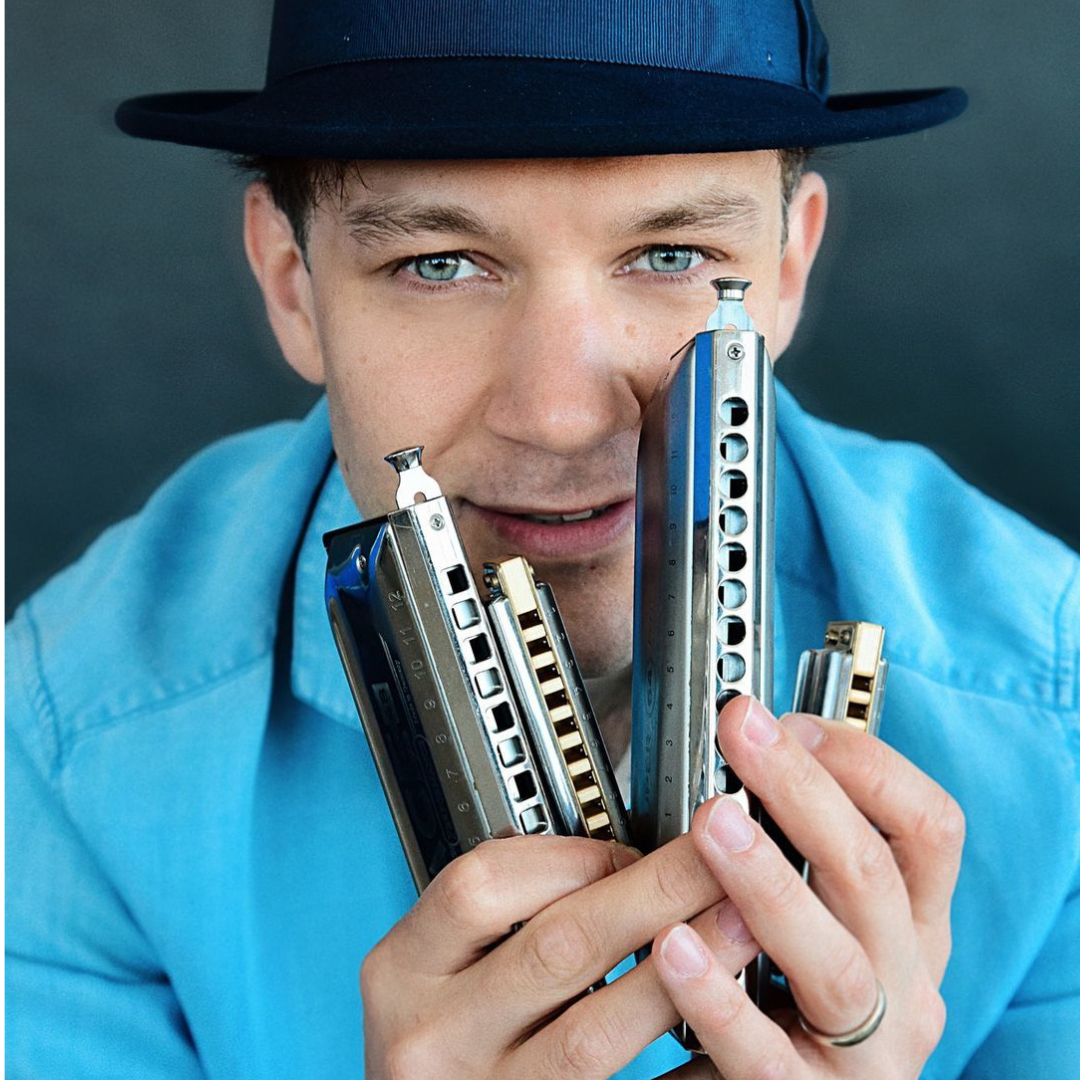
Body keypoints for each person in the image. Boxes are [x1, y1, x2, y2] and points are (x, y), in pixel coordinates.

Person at [6, 1, 1078, 1077]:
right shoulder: (64, 741)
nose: (562, 414)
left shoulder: (1056, 712)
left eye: (670, 251)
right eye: (439, 263)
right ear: (292, 285)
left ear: (787, 268)